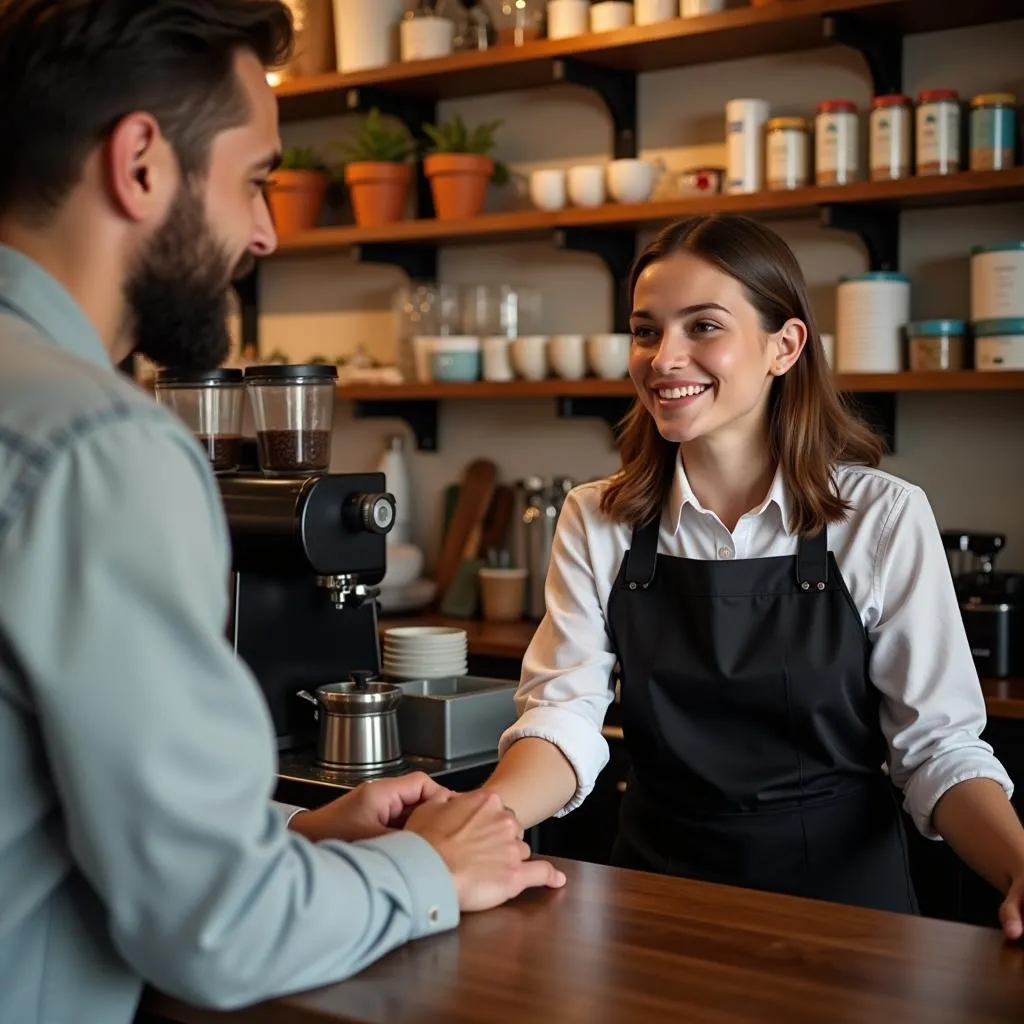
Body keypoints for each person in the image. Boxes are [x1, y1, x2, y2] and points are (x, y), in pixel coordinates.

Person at [0, 2, 564, 1023]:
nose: (264, 231)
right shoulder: (100, 442)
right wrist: (421, 871)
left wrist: (279, 835)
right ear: (139, 164)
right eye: (255, 179)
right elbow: (216, 929)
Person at [482, 213, 1024, 936]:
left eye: (703, 326)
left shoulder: (880, 516)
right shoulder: (597, 517)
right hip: (655, 901)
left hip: (844, 919)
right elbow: (563, 717)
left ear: (784, 345)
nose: (664, 357)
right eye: (647, 331)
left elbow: (938, 748)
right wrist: (483, 819)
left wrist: (1020, 867)